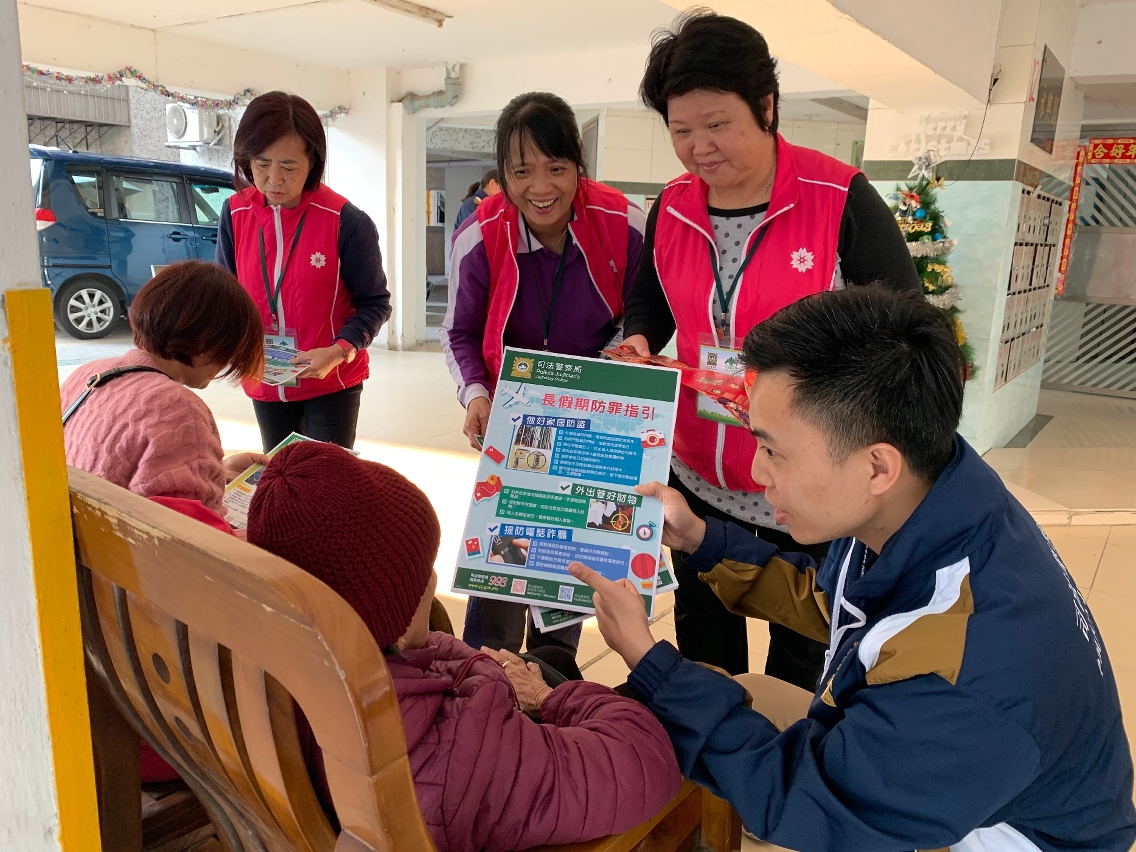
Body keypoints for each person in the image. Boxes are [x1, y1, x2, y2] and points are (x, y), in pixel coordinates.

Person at [572, 287, 1136, 852]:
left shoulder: (967, 675)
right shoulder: (933, 497)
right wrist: (699, 537)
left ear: (876, 466)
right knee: (732, 700)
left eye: (773, 450)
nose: (757, 472)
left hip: (998, 835)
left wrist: (649, 661)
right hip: (939, 773)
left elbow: (812, 803)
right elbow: (839, 604)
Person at [620, 10, 922, 689]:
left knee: (802, 656)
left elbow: (906, 331)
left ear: (766, 106)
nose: (699, 147)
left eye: (717, 124)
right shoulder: (672, 206)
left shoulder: (838, 198)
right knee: (705, 648)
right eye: (680, 130)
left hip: (807, 484)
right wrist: (638, 337)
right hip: (698, 475)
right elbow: (650, 299)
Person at [245, 441, 681, 852]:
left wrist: (476, 668)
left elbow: (422, 651)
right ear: (394, 626)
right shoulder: (457, 753)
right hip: (477, 796)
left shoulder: (271, 660)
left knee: (551, 658)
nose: (433, 579)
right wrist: (544, 697)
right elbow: (646, 763)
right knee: (604, 695)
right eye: (423, 574)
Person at [442, 91, 646, 657]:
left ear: (578, 166)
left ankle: (555, 670)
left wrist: (610, 370)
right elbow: (459, 332)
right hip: (515, 423)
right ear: (502, 175)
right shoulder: (480, 237)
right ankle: (489, 669)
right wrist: (476, 394)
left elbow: (644, 316)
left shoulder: (624, 224)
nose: (541, 187)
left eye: (556, 168)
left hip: (595, 419)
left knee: (572, 553)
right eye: (521, 171)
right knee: (503, 550)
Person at [216, 91, 391, 453]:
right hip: (264, 377)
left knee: (325, 477)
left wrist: (340, 350)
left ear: (313, 161)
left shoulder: (346, 221)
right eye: (262, 164)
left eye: (289, 166)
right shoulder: (234, 214)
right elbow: (225, 295)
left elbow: (375, 303)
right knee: (280, 472)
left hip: (331, 381)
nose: (274, 179)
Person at [60, 261, 267, 519]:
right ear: (206, 343)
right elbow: (192, 534)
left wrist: (212, 472)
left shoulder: (88, 372)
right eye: (229, 352)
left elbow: (123, 474)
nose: (226, 364)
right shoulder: (179, 409)